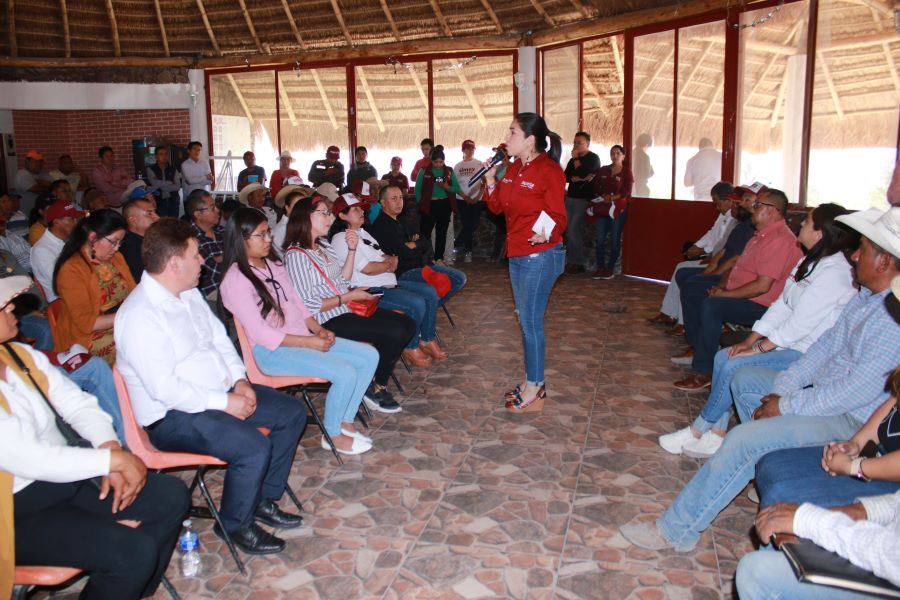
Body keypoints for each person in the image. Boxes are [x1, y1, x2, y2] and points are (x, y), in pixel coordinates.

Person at [618, 206, 900, 554]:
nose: (854, 256)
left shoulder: (891, 317)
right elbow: (824, 349)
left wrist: (788, 404)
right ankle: (756, 461)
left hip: (853, 421)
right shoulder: (867, 298)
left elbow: (854, 391)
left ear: (885, 262)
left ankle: (675, 530)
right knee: (751, 384)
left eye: (865, 250)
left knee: (743, 439)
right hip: (825, 396)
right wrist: (781, 389)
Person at [115, 217, 307, 555]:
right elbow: (165, 390)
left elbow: (220, 340)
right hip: (173, 415)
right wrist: (225, 402)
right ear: (174, 263)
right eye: (195, 255)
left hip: (220, 394)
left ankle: (262, 499)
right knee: (252, 447)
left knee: (291, 412)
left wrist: (240, 381)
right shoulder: (139, 316)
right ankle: (235, 524)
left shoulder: (187, 294)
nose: (203, 261)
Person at [0, 275, 189, 600]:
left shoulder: (17, 356)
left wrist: (109, 446)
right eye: (3, 306)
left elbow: (77, 403)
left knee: (170, 496)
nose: (12, 309)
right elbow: (28, 457)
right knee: (131, 553)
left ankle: (133, 592)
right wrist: (111, 461)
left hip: (60, 480)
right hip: (14, 508)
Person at [659, 203, 858, 458]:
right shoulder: (810, 261)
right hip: (788, 343)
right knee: (726, 355)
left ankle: (698, 429)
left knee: (732, 364)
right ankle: (716, 435)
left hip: (806, 352)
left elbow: (799, 326)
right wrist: (750, 340)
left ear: (820, 233)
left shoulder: (836, 273)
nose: (801, 223)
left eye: (807, 221)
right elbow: (782, 306)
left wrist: (757, 349)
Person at [221, 207, 378, 455]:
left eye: (268, 233)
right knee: (345, 371)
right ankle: (332, 434)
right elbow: (262, 333)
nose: (269, 239)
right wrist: (309, 343)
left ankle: (345, 421)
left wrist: (318, 329)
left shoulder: (272, 263)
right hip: (272, 352)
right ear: (241, 239)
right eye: (260, 235)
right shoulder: (235, 280)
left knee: (370, 356)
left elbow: (297, 301)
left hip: (302, 338)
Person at [738, 358, 900, 599]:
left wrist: (856, 467)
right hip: (883, 487)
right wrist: (852, 446)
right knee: (776, 473)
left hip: (886, 501)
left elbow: (889, 554)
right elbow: (882, 418)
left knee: (757, 569)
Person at [282, 194, 416, 414]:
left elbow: (342, 280)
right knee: (392, 331)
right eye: (324, 213)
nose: (330, 218)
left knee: (407, 324)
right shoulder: (297, 255)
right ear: (305, 218)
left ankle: (372, 379)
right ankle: (375, 387)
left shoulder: (322, 245)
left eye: (329, 213)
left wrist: (352, 250)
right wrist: (349, 297)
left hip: (344, 308)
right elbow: (309, 306)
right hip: (325, 320)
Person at [673, 188, 803, 391]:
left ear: (773, 210)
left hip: (760, 304)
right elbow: (736, 267)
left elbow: (761, 287)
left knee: (712, 306)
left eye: (758, 205)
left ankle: (704, 370)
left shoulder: (780, 239)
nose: (752, 209)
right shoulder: (760, 234)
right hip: (738, 289)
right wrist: (720, 285)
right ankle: (697, 344)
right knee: (693, 287)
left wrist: (724, 294)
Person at [483, 112, 565, 412]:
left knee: (531, 323)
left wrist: (540, 235)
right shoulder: (514, 168)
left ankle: (536, 386)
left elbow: (558, 215)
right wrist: (491, 180)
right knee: (526, 320)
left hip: (540, 255)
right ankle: (531, 379)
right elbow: (498, 207)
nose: (507, 138)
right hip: (517, 253)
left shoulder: (550, 171)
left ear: (530, 140)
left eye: (512, 133)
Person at [330, 192, 448, 368]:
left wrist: (388, 262)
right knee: (416, 302)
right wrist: (387, 263)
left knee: (429, 292)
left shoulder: (363, 233)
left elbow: (389, 257)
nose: (361, 212)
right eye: (355, 209)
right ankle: (410, 346)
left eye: (361, 209)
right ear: (342, 215)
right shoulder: (341, 238)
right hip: (369, 290)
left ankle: (427, 338)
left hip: (388, 281)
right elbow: (368, 269)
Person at [53, 210, 135, 366]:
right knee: (136, 345)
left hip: (119, 321)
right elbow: (87, 324)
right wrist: (127, 316)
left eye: (120, 243)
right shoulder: (72, 269)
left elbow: (133, 291)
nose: (116, 248)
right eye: (113, 242)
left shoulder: (116, 258)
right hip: (89, 336)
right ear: (92, 237)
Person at [648, 182, 736, 327]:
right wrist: (697, 246)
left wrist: (704, 251)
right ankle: (668, 313)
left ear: (728, 200)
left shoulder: (735, 217)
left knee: (685, 274)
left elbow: (723, 243)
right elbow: (712, 233)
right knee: (680, 267)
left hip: (719, 261)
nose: (716, 207)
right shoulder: (723, 215)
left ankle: (683, 323)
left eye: (717, 203)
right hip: (712, 255)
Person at [367, 185, 467, 306]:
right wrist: (416, 246)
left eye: (400, 197)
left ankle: (429, 306)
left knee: (459, 278)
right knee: (440, 285)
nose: (399, 202)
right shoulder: (382, 226)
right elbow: (403, 253)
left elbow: (425, 241)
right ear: (383, 202)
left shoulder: (401, 220)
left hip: (421, 263)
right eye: (394, 198)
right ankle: (428, 305)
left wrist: (413, 244)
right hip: (405, 271)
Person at [589, 144, 634, 279]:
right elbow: (596, 185)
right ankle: (600, 267)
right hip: (603, 208)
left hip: (617, 209)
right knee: (599, 239)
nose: (614, 156)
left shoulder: (626, 172)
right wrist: (604, 196)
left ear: (623, 156)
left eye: (617, 153)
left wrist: (613, 197)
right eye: (612, 153)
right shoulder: (603, 170)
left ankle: (610, 268)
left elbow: (627, 191)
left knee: (615, 239)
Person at [30, 199, 84, 302]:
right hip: (63, 302)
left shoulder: (69, 241)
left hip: (79, 293)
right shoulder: (42, 250)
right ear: (56, 222)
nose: (76, 223)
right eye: (72, 219)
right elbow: (63, 284)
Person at [563, 131, 601, 275]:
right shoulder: (572, 160)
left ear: (587, 144)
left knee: (574, 230)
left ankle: (578, 263)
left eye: (579, 143)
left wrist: (577, 164)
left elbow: (587, 173)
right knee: (568, 231)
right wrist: (578, 177)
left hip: (583, 199)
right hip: (570, 197)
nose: (576, 145)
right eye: (574, 142)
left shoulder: (593, 158)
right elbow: (566, 176)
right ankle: (571, 261)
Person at [415, 146, 461, 264]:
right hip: (429, 205)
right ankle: (421, 258)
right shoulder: (424, 170)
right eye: (436, 162)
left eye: (441, 162)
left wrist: (447, 187)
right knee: (425, 233)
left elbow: (457, 188)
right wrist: (422, 204)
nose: (438, 165)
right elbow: (417, 190)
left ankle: (438, 258)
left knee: (442, 233)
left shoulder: (449, 171)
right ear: (431, 161)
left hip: (445, 204)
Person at [185, 190, 225, 300]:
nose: (218, 210)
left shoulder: (222, 231)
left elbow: (245, 256)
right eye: (212, 208)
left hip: (232, 284)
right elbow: (216, 271)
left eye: (216, 206)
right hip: (212, 294)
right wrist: (233, 254)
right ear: (198, 214)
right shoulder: (189, 237)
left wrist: (221, 258)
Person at [453, 140, 484, 263]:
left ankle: (456, 245)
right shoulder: (458, 166)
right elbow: (455, 185)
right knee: (467, 225)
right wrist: (465, 197)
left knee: (472, 225)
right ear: (463, 150)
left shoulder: (479, 164)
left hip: (477, 200)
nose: (470, 151)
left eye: (472, 149)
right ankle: (468, 252)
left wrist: (477, 197)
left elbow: (484, 183)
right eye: (467, 149)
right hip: (461, 199)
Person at [119, 198, 160, 282]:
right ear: (133, 220)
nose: (157, 217)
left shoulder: (150, 239)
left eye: (154, 212)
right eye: (149, 213)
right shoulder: (130, 249)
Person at [273, 187, 315, 253]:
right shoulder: (282, 229)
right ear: (287, 208)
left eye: (303, 206)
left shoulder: (299, 224)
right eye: (296, 206)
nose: (301, 210)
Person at [145, 146, 181, 218]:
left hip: (173, 201)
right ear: (156, 157)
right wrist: (170, 182)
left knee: (173, 224)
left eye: (165, 154)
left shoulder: (173, 169)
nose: (164, 156)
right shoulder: (150, 169)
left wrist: (160, 185)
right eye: (161, 154)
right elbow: (154, 184)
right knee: (160, 225)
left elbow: (177, 186)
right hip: (159, 202)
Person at [14, 149, 51, 217]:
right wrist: (45, 185)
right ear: (27, 161)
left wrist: (40, 183)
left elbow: (55, 187)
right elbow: (37, 189)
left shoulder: (44, 174)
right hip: (26, 215)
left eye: (40, 161)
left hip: (42, 215)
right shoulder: (22, 174)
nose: (39, 164)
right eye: (35, 161)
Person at [0, 207, 33, 274]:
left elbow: (32, 254)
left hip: (30, 272)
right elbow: (7, 268)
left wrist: (17, 260)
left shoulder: (14, 235)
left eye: (3, 216)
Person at [632, 133, 654, 197]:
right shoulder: (645, 157)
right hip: (641, 188)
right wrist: (651, 170)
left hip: (631, 187)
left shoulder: (630, 153)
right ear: (646, 145)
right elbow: (646, 175)